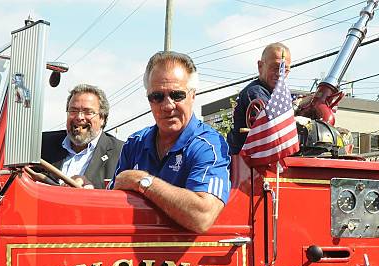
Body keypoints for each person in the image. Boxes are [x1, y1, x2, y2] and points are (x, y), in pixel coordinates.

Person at [110, 52, 230, 234]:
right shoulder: (135, 143)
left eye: (177, 95)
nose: (167, 105)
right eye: (157, 96)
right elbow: (113, 206)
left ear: (193, 95)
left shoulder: (209, 146)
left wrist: (142, 182)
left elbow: (202, 216)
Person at [41, 84, 123, 189]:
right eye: (73, 111)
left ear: (102, 118)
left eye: (88, 112)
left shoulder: (121, 152)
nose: (79, 117)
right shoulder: (42, 144)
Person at [228, 43, 292, 155]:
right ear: (260, 66)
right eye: (275, 68)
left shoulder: (278, 95)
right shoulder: (254, 92)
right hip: (249, 163)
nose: (279, 74)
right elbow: (273, 127)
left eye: (285, 70)